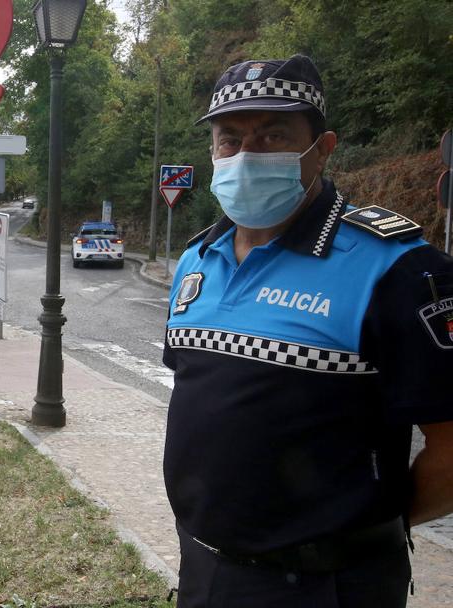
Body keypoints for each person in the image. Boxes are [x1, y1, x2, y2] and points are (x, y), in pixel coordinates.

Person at [162, 54, 453, 607]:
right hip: (204, 569)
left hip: (328, 585)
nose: (246, 156)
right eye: (230, 139)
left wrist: (365, 524)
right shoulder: (197, 260)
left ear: (322, 149)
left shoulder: (397, 270)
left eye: (273, 136)